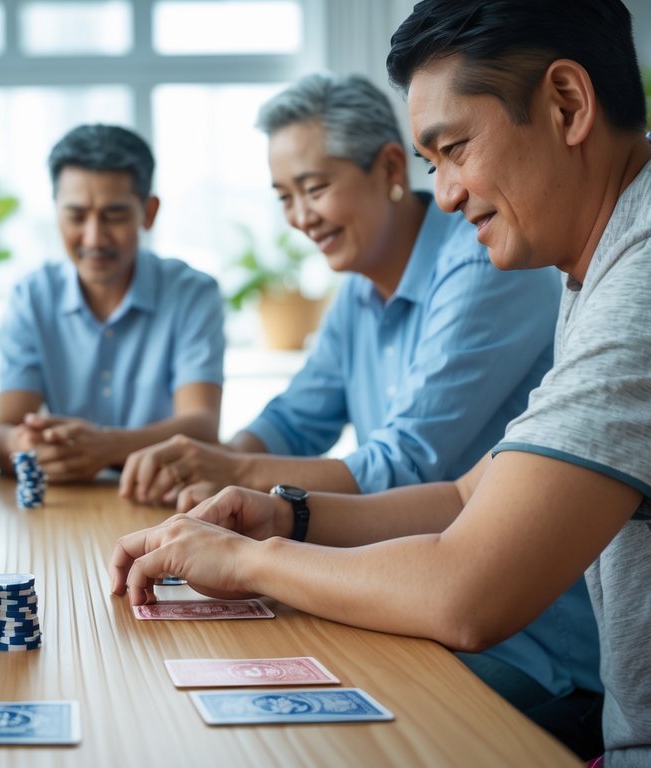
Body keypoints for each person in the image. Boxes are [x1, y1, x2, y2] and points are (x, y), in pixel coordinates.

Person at [109, 1, 650, 762]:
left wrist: (245, 558)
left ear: (566, 105)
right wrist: (284, 516)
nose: (452, 193)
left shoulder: (633, 276)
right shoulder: (592, 264)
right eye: (437, 164)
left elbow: (466, 593)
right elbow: (468, 493)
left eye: (455, 148)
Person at [121, 73, 559, 508]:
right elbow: (294, 420)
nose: (300, 216)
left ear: (390, 167)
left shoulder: (483, 260)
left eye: (314, 189)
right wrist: (219, 459)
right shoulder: (358, 290)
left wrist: (232, 471)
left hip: (515, 572)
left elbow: (402, 462)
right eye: (284, 198)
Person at [0, 124, 225, 483]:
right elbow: (3, 432)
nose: (94, 237)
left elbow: (203, 426)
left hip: (163, 502)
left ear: (148, 212)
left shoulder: (192, 293)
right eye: (76, 216)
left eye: (114, 215)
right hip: (64, 504)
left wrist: (107, 446)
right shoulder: (31, 296)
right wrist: (26, 444)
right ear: (56, 211)